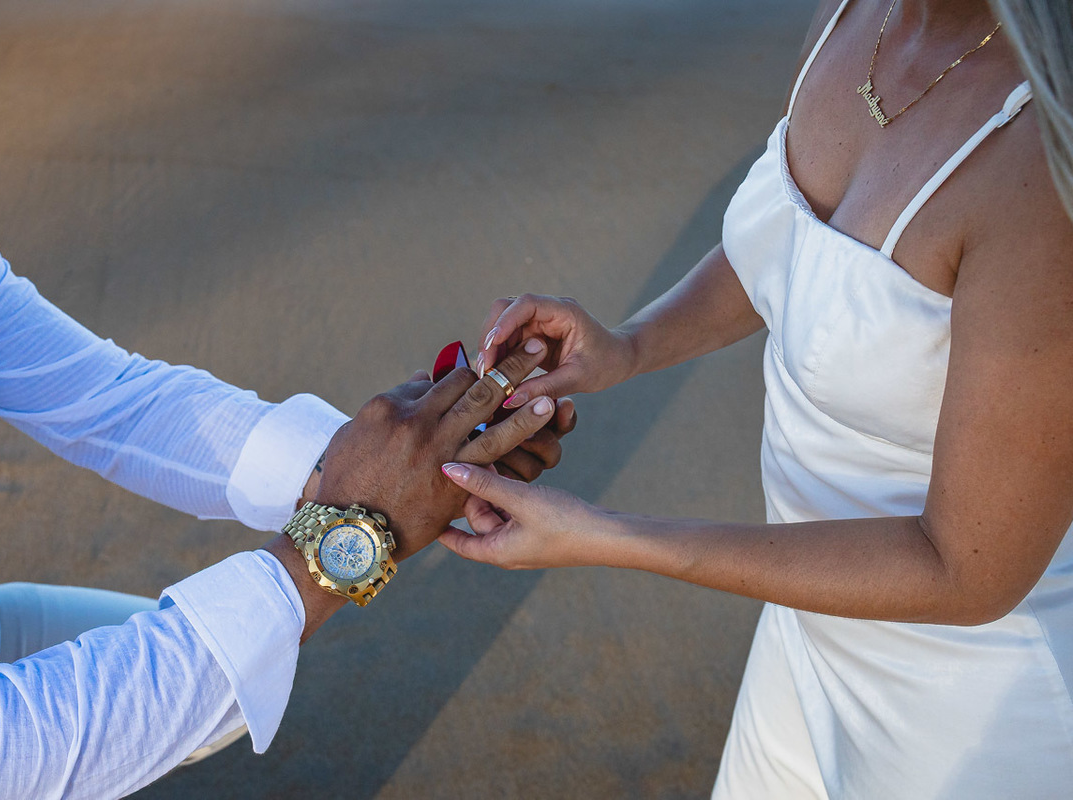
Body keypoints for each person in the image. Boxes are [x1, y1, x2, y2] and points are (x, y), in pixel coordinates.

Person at [443, 0, 1073, 796]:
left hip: (969, 715)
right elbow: (788, 242)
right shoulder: (854, 16)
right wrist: (629, 346)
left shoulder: (1040, 163)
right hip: (800, 643)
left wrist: (610, 537)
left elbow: (969, 571)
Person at [0, 132, 576, 799]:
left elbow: (107, 399)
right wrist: (346, 536)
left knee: (238, 685)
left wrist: (397, 456)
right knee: (221, 665)